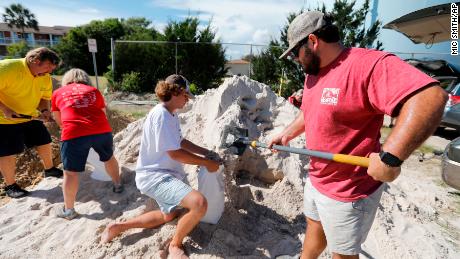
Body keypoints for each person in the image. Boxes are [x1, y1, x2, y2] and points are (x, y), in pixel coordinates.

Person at [270, 11, 447, 259]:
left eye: (295, 53)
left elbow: (430, 97)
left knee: (342, 253)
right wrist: (286, 134)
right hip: (318, 177)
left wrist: (391, 157)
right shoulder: (313, 73)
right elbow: (311, 111)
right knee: (314, 227)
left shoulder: (366, 65)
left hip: (348, 191)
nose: (296, 60)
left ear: (312, 41)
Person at [101, 74, 220, 259]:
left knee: (169, 216)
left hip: (161, 174)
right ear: (175, 93)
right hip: (155, 176)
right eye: (185, 96)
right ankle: (175, 245)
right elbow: (175, 153)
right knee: (199, 204)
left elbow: (179, 141)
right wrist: (206, 162)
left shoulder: (169, 113)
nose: (187, 100)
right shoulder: (162, 115)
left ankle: (117, 227)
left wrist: (206, 152)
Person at [51, 68, 124, 220]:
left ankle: (69, 210)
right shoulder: (93, 90)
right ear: (86, 78)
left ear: (66, 80)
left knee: (70, 172)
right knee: (109, 157)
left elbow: (59, 120)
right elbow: (103, 113)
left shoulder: (58, 93)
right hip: (101, 130)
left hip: (74, 132)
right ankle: (118, 185)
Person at [0, 47, 63, 198]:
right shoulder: (7, 68)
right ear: (34, 61)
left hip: (29, 115)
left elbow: (44, 97)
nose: (48, 73)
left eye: (51, 70)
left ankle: (49, 169)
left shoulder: (44, 77)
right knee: (7, 152)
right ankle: (10, 186)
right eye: (47, 68)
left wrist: (45, 111)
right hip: (4, 119)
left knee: (43, 140)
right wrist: (5, 109)